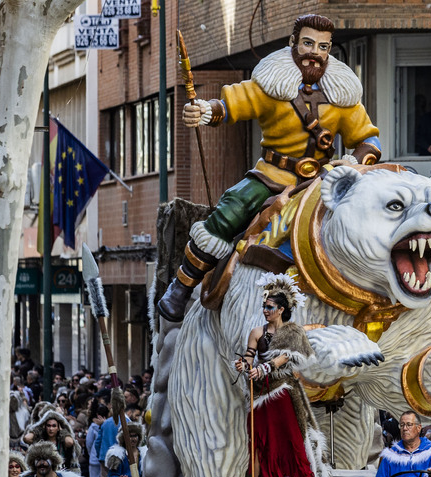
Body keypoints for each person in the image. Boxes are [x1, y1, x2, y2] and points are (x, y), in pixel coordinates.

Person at [159, 13, 381, 320]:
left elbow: (369, 140)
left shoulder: (343, 96)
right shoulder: (272, 83)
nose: (314, 53)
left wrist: (353, 161)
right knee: (230, 211)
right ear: (293, 43)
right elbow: (232, 104)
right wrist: (204, 111)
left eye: (323, 47)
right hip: (271, 176)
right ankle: (182, 286)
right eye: (307, 43)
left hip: (321, 181)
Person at [232, 273, 327, 477]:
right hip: (260, 395)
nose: (265, 310)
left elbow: (284, 358)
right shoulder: (256, 332)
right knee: (260, 444)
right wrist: (243, 365)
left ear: (282, 309)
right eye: (264, 306)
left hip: (283, 393)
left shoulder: (293, 332)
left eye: (270, 307)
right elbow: (249, 357)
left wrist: (264, 369)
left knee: (291, 442)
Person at [374, 411, 431, 477]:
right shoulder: (390, 455)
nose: (405, 428)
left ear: (419, 428)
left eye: (409, 425)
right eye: (402, 425)